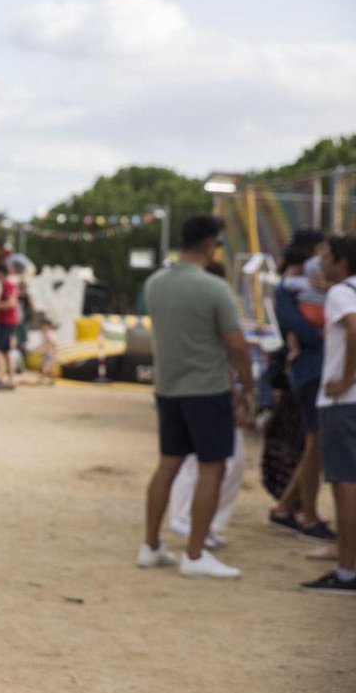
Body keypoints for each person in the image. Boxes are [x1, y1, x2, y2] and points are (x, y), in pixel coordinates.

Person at [138, 214, 254, 579]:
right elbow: (237, 344)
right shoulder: (213, 288)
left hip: (168, 388)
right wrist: (248, 388)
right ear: (209, 244)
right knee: (212, 468)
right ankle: (195, 553)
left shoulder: (155, 283)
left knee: (167, 465)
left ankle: (151, 546)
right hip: (206, 389)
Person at [166, 260, 246, 549]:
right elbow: (230, 349)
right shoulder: (208, 305)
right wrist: (241, 389)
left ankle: (201, 521)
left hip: (198, 388)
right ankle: (190, 520)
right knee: (205, 462)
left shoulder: (192, 304)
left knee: (217, 461)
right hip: (204, 390)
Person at [269, 239, 337, 541]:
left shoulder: (307, 287)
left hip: (315, 370)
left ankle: (288, 507)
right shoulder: (289, 289)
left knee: (316, 445)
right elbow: (298, 329)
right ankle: (306, 514)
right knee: (315, 443)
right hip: (313, 372)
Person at [300, 234, 356, 594]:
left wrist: (347, 379)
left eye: (327, 256)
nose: (321, 262)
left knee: (345, 485)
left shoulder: (341, 293)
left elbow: (354, 329)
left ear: (341, 262)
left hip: (343, 404)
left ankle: (347, 571)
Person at [0, 264, 19, 390]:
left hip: (5, 322)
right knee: (7, 352)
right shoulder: (8, 285)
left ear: (1, 273)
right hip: (7, 322)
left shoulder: (7, 285)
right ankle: (11, 380)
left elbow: (11, 303)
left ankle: (2, 379)